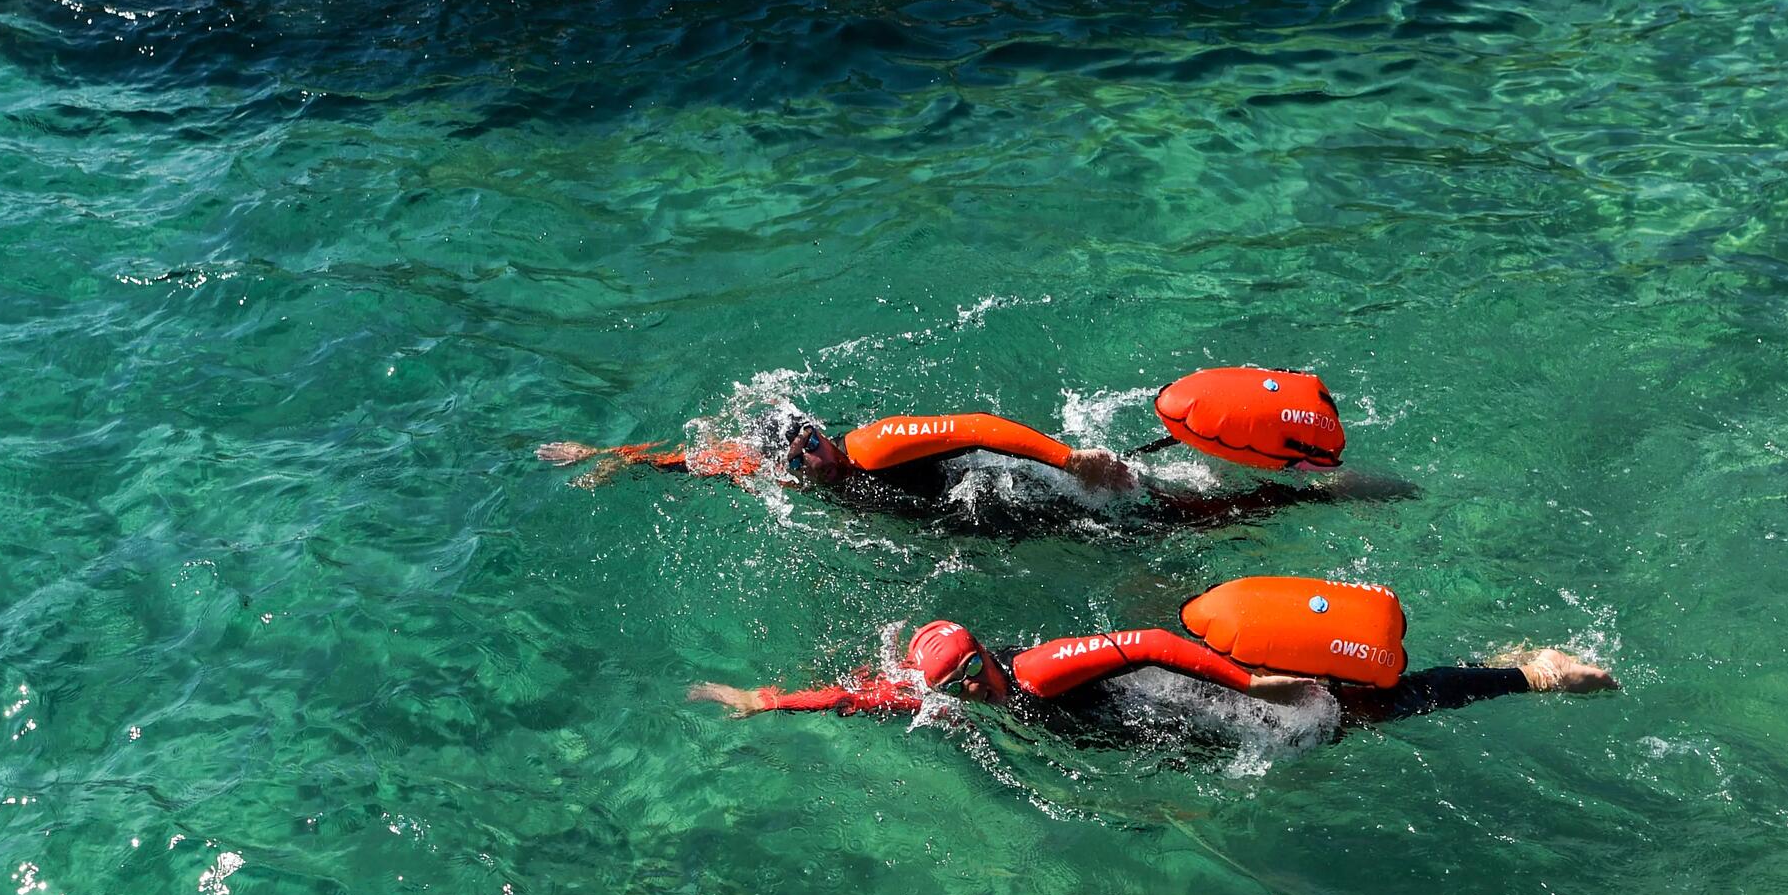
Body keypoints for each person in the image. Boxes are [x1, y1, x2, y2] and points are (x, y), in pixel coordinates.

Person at [539, 380, 1410, 533]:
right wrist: (603, 454)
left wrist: (1072, 461)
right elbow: (694, 460)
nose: (813, 455)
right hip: (984, 524)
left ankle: (1315, 495)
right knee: (1165, 529)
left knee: (1171, 519)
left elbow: (979, 426)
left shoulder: (873, 445)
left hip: (1017, 490)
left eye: (812, 438)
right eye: (798, 455)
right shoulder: (769, 470)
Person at [688, 618, 1616, 732]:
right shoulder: (941, 688)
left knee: (1355, 714)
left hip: (1196, 688)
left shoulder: (1039, 671)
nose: (967, 690)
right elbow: (861, 695)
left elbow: (1139, 642)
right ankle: (1512, 667)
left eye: (971, 675)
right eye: (951, 687)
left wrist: (1245, 686)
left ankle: (1524, 673)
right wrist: (764, 700)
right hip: (1159, 727)